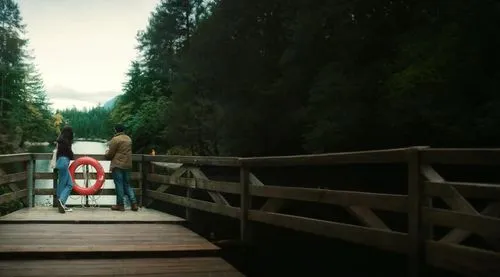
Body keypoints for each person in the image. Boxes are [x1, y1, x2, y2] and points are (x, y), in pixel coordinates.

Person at [105, 124, 138, 211]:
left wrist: (106, 153)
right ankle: (134, 204)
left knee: (119, 184)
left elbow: (110, 154)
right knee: (127, 184)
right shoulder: (128, 139)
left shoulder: (115, 139)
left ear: (116, 130)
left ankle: (120, 205)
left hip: (118, 165)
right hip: (127, 164)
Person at [55, 126, 75, 213]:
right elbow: (70, 154)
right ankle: (61, 201)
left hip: (59, 163)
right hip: (64, 163)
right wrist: (72, 155)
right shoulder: (66, 142)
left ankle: (61, 203)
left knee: (62, 184)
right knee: (70, 184)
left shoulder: (60, 141)